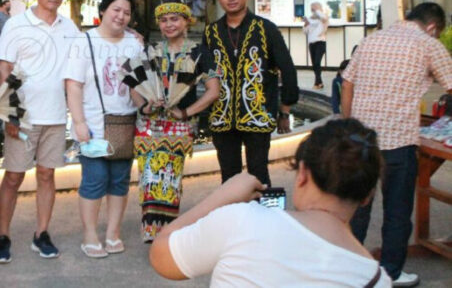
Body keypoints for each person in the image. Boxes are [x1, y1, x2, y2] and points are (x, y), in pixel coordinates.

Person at [150, 119, 391, 287]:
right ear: (368, 195)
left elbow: (161, 255)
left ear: (303, 173)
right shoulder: (375, 278)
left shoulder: (243, 221)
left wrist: (224, 195)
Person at [342, 2, 452, 286]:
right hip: (398, 143)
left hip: (360, 139)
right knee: (397, 210)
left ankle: (351, 269)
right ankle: (390, 272)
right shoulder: (428, 44)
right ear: (431, 27)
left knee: (357, 207)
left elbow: (347, 84)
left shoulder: (371, 40)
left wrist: (348, 125)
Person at [0, 0, 79, 263]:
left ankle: (41, 233)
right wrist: (10, 114)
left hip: (55, 115)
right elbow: (3, 70)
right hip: (23, 117)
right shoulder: (15, 25)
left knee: (47, 174)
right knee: (14, 176)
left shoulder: (70, 27)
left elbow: (81, 66)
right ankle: (3, 236)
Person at [202, 0, 299, 186]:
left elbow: (287, 69)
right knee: (229, 177)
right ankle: (235, 221)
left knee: (258, 174)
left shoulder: (266, 29)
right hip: (222, 118)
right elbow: (205, 73)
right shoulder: (211, 32)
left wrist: (284, 110)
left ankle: (260, 222)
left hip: (257, 115)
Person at [64, 0, 143, 258]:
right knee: (95, 179)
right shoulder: (83, 42)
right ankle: (90, 235)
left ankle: (113, 233)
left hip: (125, 122)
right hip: (94, 125)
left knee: (120, 180)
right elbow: (73, 85)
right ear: (102, 11)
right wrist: (79, 122)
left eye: (127, 13)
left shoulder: (134, 44)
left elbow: (139, 83)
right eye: (116, 10)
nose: (121, 16)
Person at [134, 0, 220, 242]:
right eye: (164, 20)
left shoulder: (201, 53)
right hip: (149, 126)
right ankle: (152, 232)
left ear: (186, 22)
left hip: (179, 128)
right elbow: (132, 82)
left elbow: (214, 91)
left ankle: (166, 232)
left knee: (170, 179)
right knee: (149, 180)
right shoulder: (150, 52)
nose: (169, 24)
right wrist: (145, 104)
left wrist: (186, 112)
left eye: (175, 19)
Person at [303, 2, 328, 89]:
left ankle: (318, 82)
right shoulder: (310, 19)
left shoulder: (323, 17)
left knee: (317, 62)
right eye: (312, 8)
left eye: (314, 8)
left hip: (320, 42)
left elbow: (324, 18)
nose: (312, 9)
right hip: (311, 43)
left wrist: (317, 10)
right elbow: (305, 31)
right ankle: (318, 82)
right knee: (314, 64)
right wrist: (306, 24)